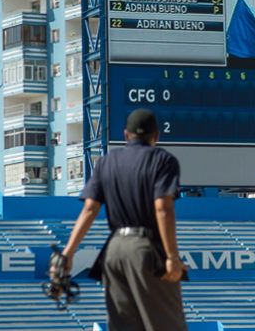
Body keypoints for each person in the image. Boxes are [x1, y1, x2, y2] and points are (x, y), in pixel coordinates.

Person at [58, 108, 187, 331]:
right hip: (145, 250)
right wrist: (172, 257)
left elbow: (89, 209)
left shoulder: (106, 162)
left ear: (126, 135)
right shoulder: (162, 160)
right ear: (156, 136)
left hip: (114, 251)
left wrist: (67, 253)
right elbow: (163, 208)